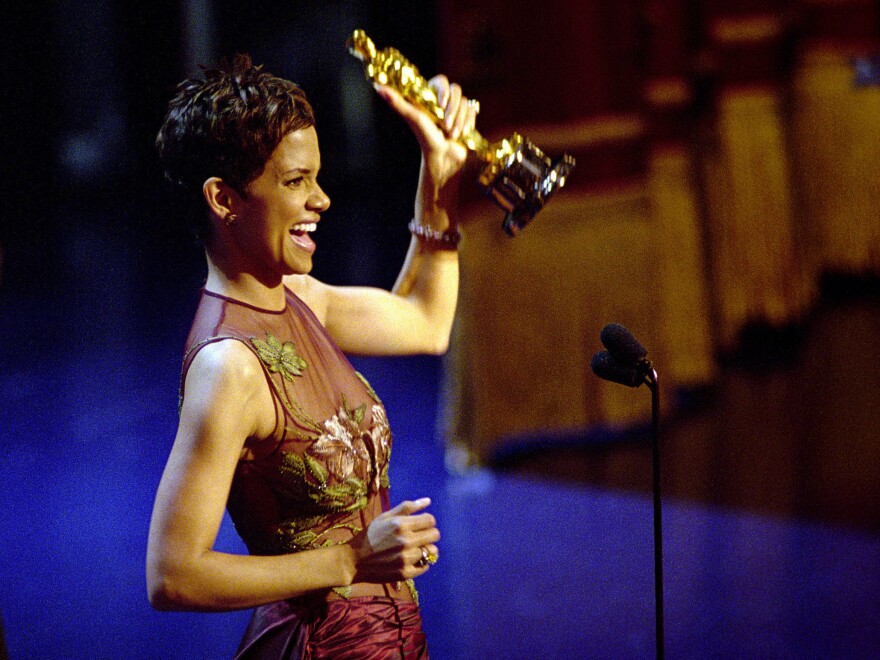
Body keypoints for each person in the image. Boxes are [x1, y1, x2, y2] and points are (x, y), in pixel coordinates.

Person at [146, 53, 477, 658]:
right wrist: (351, 559)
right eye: (295, 181)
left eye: (316, 177)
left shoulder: (299, 297)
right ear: (224, 199)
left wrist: (439, 172)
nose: (322, 199)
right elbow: (173, 575)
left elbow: (426, 322)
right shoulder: (230, 367)